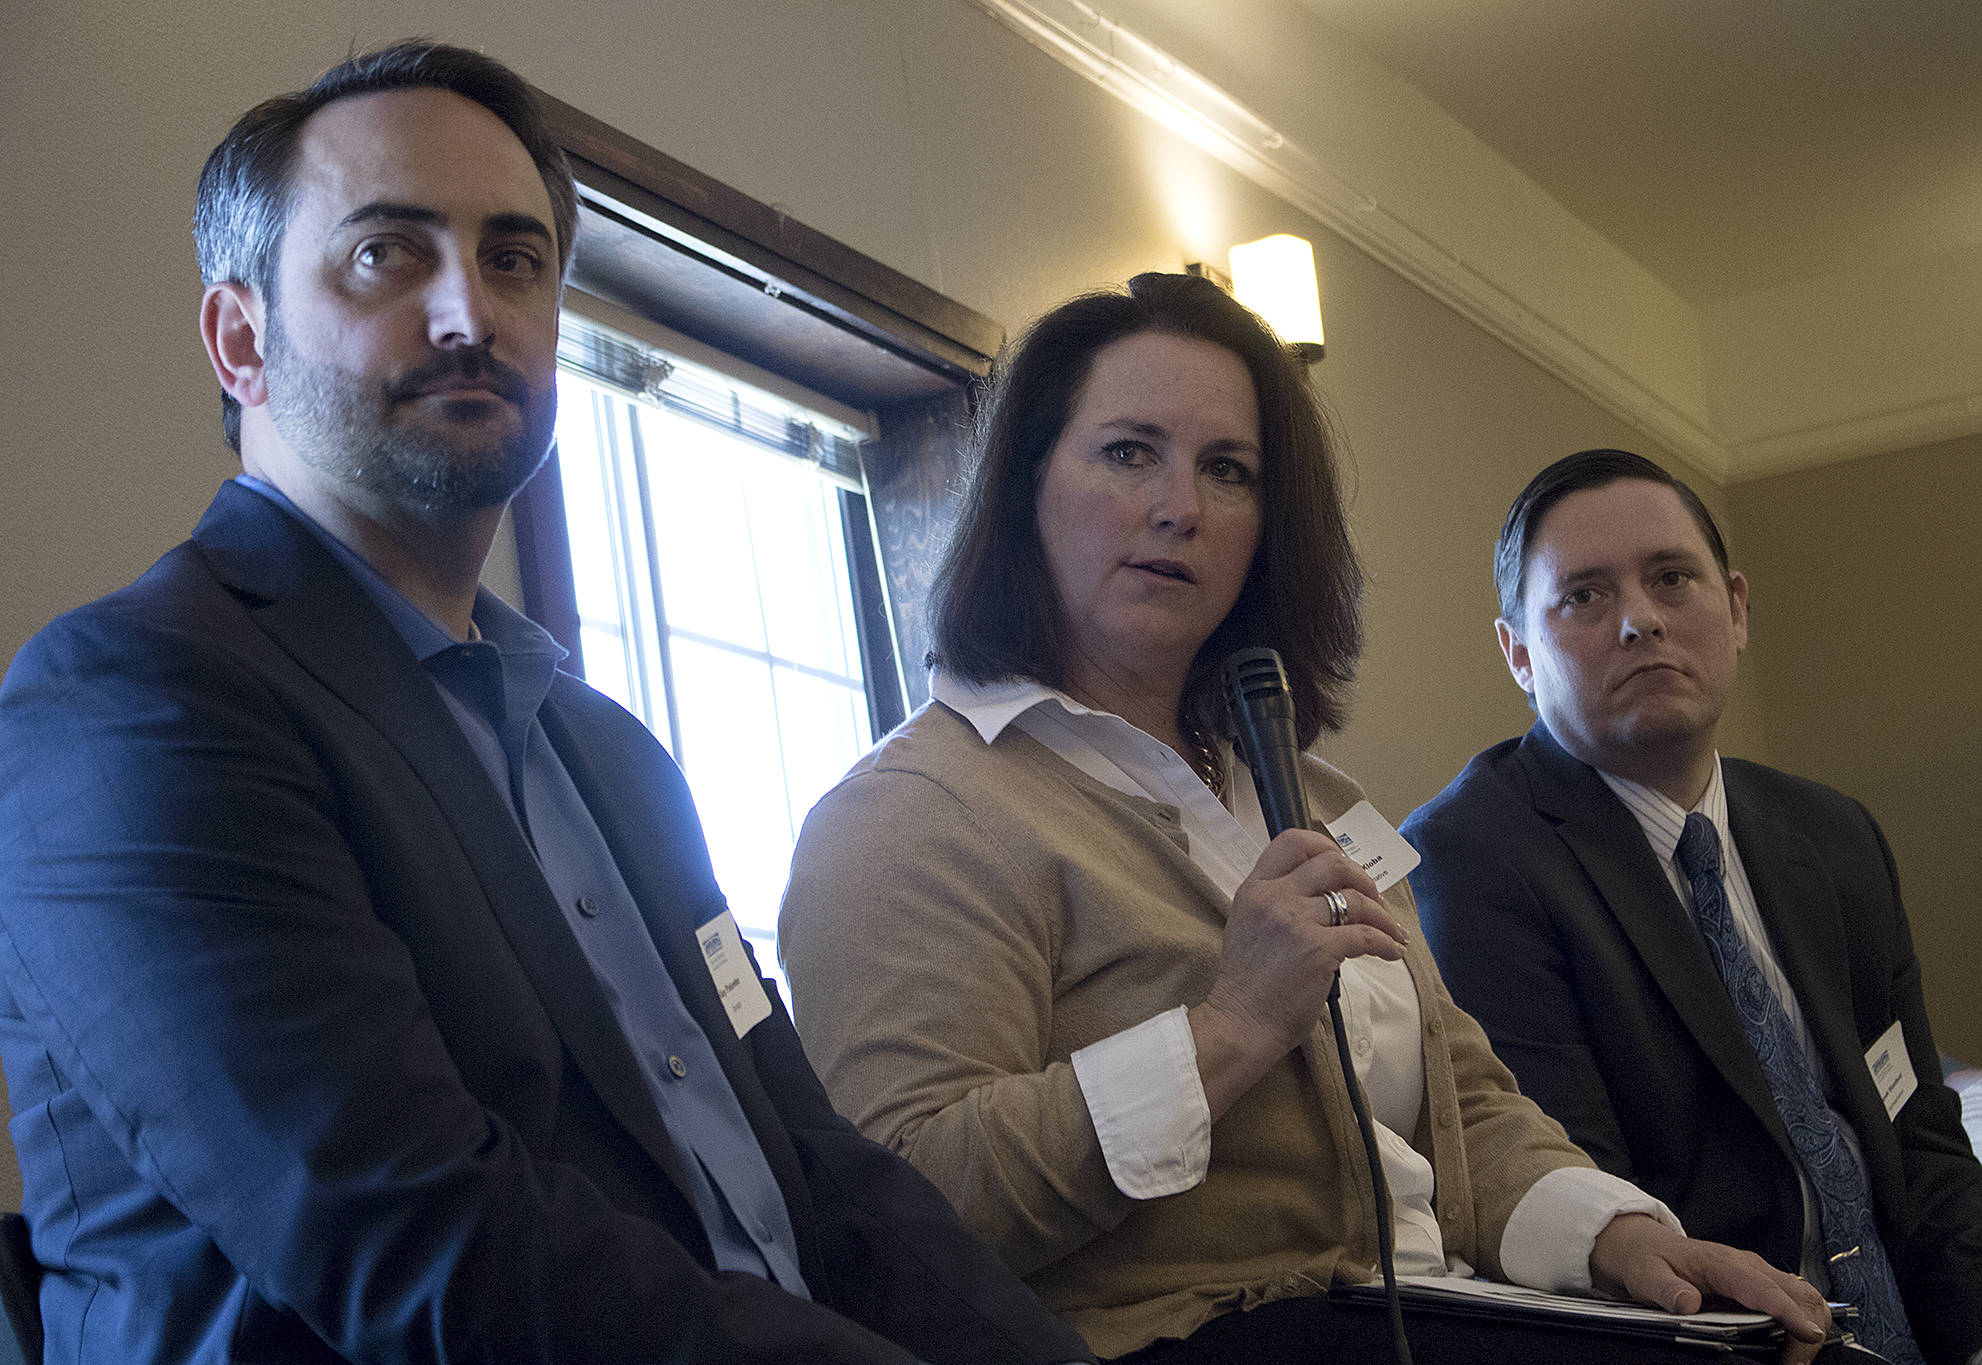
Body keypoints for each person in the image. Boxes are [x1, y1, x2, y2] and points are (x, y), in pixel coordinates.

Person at [0, 42, 1095, 1365]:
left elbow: (828, 1173)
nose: (471, 312)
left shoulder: (613, 754)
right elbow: (419, 1242)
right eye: (386, 256)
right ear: (241, 339)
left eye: (516, 259)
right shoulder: (137, 698)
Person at [778, 276, 1842, 1364]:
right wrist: (1224, 1030)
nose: (1179, 506)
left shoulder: (1310, 797)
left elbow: (1459, 1105)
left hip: (1438, 1307)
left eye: (1227, 470)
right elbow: (899, 1211)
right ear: (1023, 488)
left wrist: (1618, 1234)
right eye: (1128, 451)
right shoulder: (916, 812)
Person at [1402, 449, 1982, 1365]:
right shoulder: (1472, 864)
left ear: (1736, 609)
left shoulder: (1831, 834)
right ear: (1516, 651)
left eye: (1671, 578)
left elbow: (1919, 1140)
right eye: (1584, 596)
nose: (1639, 620)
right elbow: (1586, 1211)